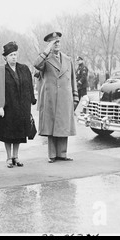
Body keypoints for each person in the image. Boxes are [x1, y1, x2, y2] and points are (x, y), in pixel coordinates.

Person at [34, 32, 78, 163]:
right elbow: (36, 65)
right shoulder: (45, 59)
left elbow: (73, 79)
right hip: (50, 97)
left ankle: (62, 154)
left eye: (58, 41)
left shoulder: (68, 59)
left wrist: (75, 96)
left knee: (64, 125)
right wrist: (46, 50)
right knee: (51, 126)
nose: (57, 44)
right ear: (49, 45)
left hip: (65, 97)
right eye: (53, 42)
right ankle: (52, 155)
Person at [0, 42, 37, 168]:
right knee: (7, 134)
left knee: (19, 133)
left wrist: (31, 100)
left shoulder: (24, 69)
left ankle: (16, 157)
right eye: (11, 55)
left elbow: (30, 85)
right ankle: (8, 157)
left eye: (15, 54)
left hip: (21, 106)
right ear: (5, 57)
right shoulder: (0, 70)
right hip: (7, 107)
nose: (14, 57)